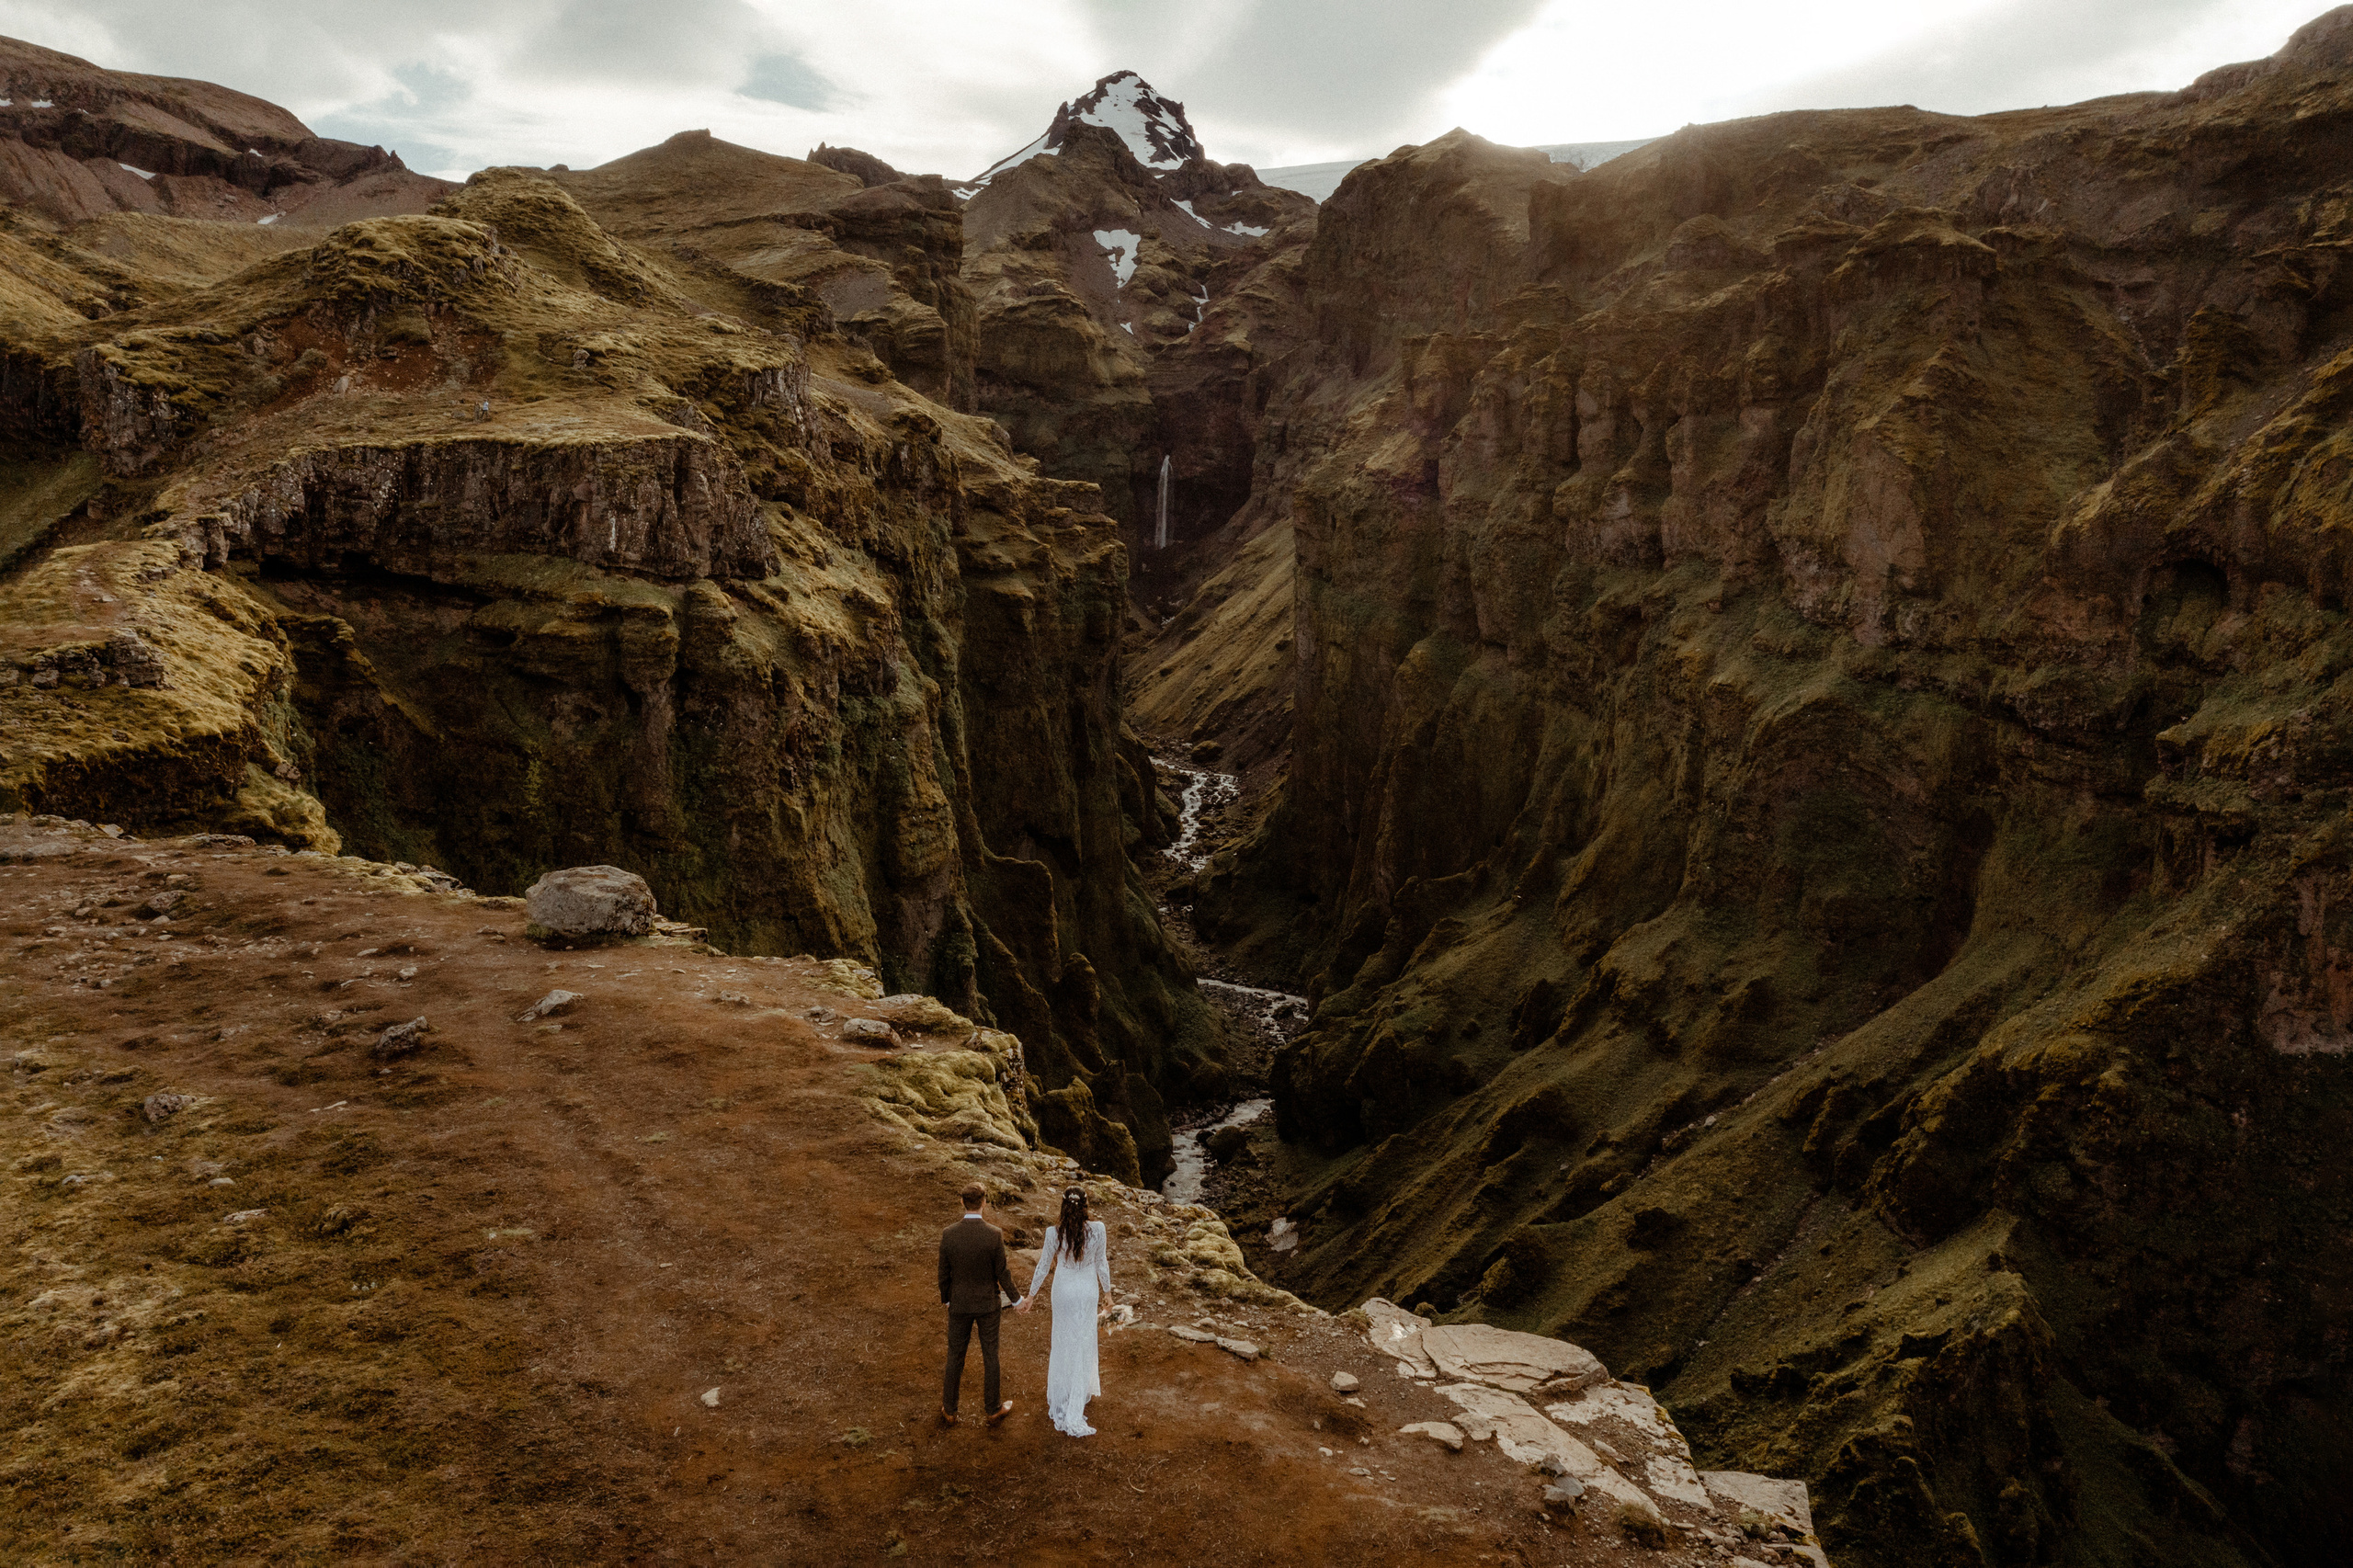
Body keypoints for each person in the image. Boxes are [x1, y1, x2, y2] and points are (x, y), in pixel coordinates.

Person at [1017, 1185, 1111, 1437]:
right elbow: (1101, 1262)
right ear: (1086, 1206)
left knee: (1062, 1340)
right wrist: (1108, 1294)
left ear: (1063, 1206)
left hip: (1063, 1290)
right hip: (1088, 1290)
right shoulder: (1099, 1230)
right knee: (1084, 1340)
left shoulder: (1053, 1233)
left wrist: (1031, 1296)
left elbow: (1043, 1266)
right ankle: (1079, 1391)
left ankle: (1064, 1393)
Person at [938, 1181, 1023, 1427]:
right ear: (984, 1202)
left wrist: (947, 1298)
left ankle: (950, 1410)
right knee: (990, 1356)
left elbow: (943, 1273)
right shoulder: (994, 1234)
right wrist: (1017, 1299)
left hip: (960, 1304)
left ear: (961, 1202)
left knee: (955, 1355)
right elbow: (1002, 1273)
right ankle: (993, 1408)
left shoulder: (949, 1234)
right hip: (988, 1305)